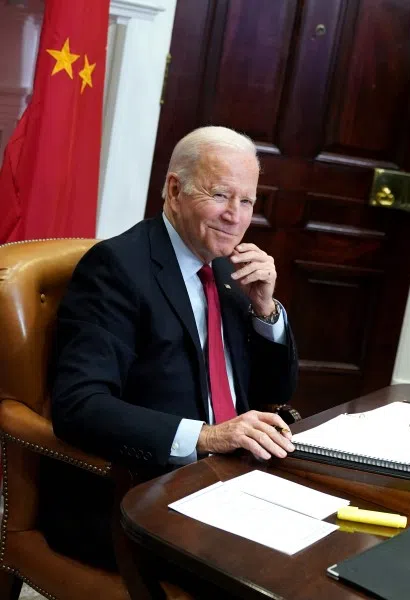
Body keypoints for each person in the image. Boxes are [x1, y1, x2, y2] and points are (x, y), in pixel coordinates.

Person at [41, 126, 299, 570]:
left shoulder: (228, 270)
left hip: (229, 482)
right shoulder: (117, 269)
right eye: (220, 195)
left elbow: (276, 389)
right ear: (175, 190)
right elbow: (78, 405)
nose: (235, 216)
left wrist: (265, 311)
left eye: (247, 201)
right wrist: (206, 436)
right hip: (140, 494)